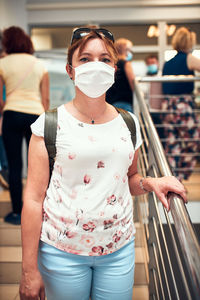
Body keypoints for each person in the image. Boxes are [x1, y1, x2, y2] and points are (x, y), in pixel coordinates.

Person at [19, 27, 187, 300]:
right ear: (70, 70)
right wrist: (28, 269)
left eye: (105, 59)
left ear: (114, 69)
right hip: (62, 252)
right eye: (85, 59)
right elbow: (33, 200)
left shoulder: (129, 122)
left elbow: (130, 179)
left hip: (118, 250)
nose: (95, 66)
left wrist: (150, 182)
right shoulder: (49, 124)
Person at [0, 26, 49, 225]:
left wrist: (7, 107)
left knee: (14, 166)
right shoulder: (39, 65)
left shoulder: (2, 63)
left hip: (12, 114)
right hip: (36, 116)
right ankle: (39, 211)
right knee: (37, 166)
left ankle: (18, 213)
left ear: (7, 42)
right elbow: (45, 99)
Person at [161, 27, 200, 181]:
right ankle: (181, 176)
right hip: (182, 105)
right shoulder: (189, 58)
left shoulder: (167, 63)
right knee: (193, 141)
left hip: (167, 106)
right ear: (189, 42)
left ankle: (172, 177)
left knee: (172, 144)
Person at [106, 38, 135, 112]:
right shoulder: (126, 64)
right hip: (124, 103)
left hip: (110, 103)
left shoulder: (110, 64)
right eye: (129, 50)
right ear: (125, 50)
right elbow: (133, 84)